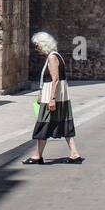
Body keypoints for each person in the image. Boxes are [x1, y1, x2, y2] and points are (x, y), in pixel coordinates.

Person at [23, 32, 83, 164]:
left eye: (37, 45)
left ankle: (38, 156)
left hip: (53, 98)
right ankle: (74, 153)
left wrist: (51, 99)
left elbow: (55, 80)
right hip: (59, 97)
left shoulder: (52, 58)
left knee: (43, 124)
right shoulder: (56, 56)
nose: (36, 48)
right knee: (64, 123)